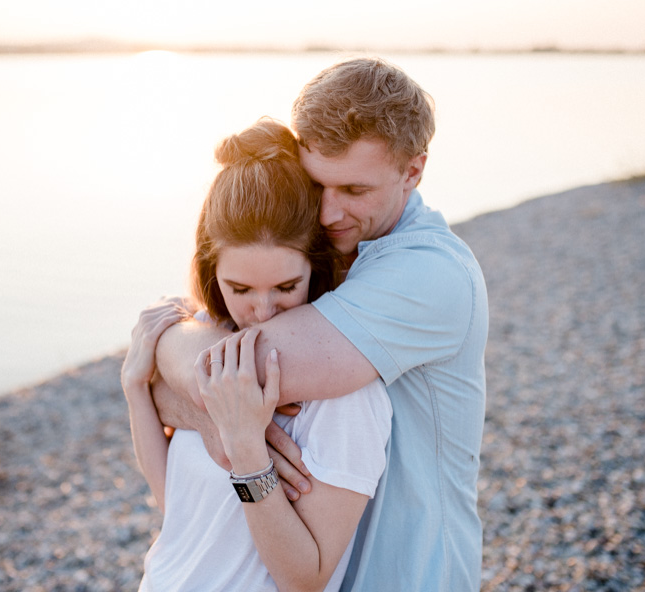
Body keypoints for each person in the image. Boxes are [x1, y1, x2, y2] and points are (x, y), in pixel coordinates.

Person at [150, 58, 489, 591]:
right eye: (316, 185)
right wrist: (202, 406)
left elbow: (235, 371)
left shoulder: (428, 272)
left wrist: (158, 347)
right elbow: (215, 383)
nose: (328, 214)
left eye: (354, 190)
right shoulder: (335, 259)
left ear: (413, 171)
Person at [121, 118, 392, 591]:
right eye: (240, 288)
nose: (263, 311)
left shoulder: (346, 396)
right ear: (212, 271)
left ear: (317, 265)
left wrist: (249, 453)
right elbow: (177, 507)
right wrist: (135, 389)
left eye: (286, 286)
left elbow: (305, 579)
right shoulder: (207, 335)